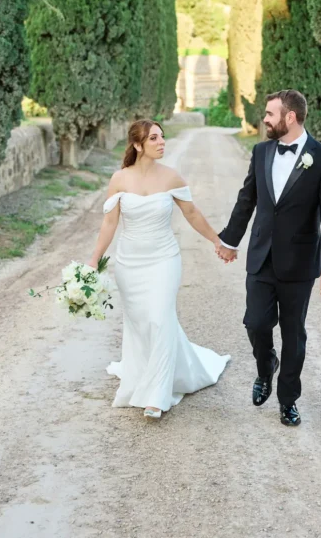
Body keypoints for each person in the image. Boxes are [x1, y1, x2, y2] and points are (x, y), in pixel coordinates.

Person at [88, 120, 231, 420]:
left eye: (162, 137)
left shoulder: (171, 177)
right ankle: (147, 372)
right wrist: (93, 260)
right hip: (129, 264)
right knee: (141, 323)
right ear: (137, 145)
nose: (161, 142)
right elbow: (110, 223)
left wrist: (217, 241)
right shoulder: (119, 179)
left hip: (164, 260)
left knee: (161, 318)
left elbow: (192, 213)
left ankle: (157, 396)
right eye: (154, 138)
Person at [216, 89, 321, 426]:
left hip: (299, 262)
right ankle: (265, 366)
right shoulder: (261, 152)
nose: (265, 120)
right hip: (261, 256)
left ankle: (288, 400)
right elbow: (247, 199)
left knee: (293, 334)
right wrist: (229, 240)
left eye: (270, 114)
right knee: (256, 323)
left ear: (290, 117)